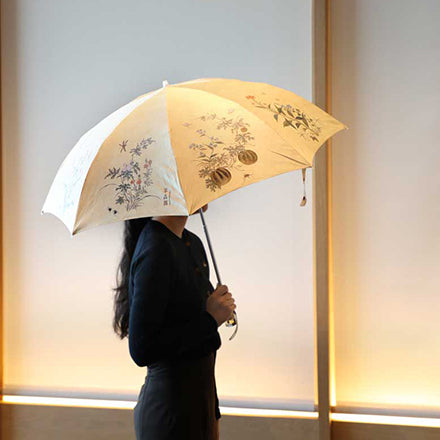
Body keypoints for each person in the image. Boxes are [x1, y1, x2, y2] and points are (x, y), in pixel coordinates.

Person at [112, 203, 236, 440]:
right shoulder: (156, 246)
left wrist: (213, 411)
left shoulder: (192, 243)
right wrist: (210, 320)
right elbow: (143, 349)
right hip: (170, 413)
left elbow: (198, 345)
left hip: (200, 406)